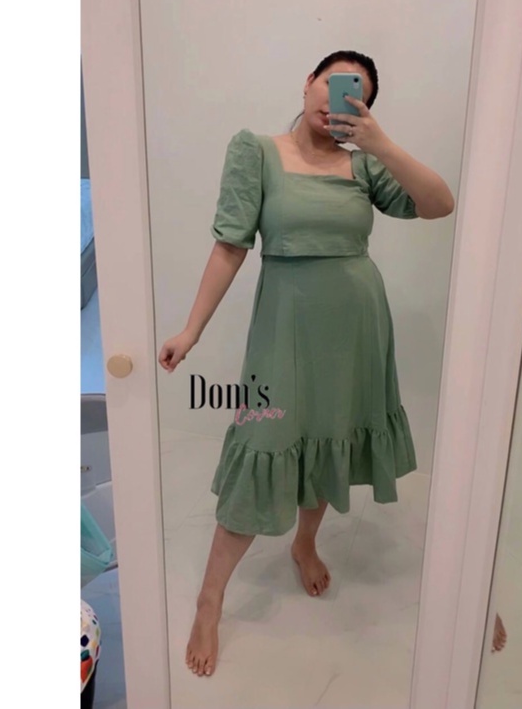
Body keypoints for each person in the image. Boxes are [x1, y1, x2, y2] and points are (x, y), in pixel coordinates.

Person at [158, 50, 455, 677]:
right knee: (263, 443)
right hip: (285, 328)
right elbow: (230, 246)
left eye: (358, 92)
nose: (339, 97)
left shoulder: (365, 163)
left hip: (355, 329)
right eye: (333, 81)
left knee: (328, 437)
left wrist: (380, 143)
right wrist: (191, 330)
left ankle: (305, 542)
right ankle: (211, 598)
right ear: (309, 82)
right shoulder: (256, 151)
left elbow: (439, 204)